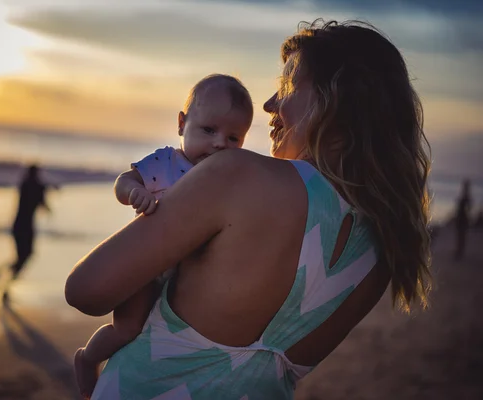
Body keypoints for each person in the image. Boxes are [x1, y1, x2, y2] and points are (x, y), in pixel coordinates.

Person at [65, 19, 432, 399]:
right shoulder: (386, 247)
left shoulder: (238, 175)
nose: (270, 105)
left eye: (288, 87)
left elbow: (86, 290)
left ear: (333, 100)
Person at [73, 74, 254, 399]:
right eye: (209, 130)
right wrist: (135, 192)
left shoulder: (226, 179)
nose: (219, 144)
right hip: (145, 268)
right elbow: (123, 181)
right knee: (127, 329)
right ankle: (88, 359)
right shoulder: (167, 162)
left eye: (233, 138)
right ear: (182, 124)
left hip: (184, 278)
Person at [0, 164, 50, 295]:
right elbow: (44, 207)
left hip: (18, 225)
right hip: (27, 227)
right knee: (25, 256)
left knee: (21, 258)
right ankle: (5, 284)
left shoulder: (24, 185)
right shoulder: (36, 187)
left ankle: (1, 277)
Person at [454, 179, 472, 260]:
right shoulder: (466, 195)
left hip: (462, 218)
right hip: (462, 218)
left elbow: (468, 208)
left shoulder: (466, 196)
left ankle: (459, 252)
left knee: (461, 236)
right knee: (460, 236)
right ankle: (459, 251)